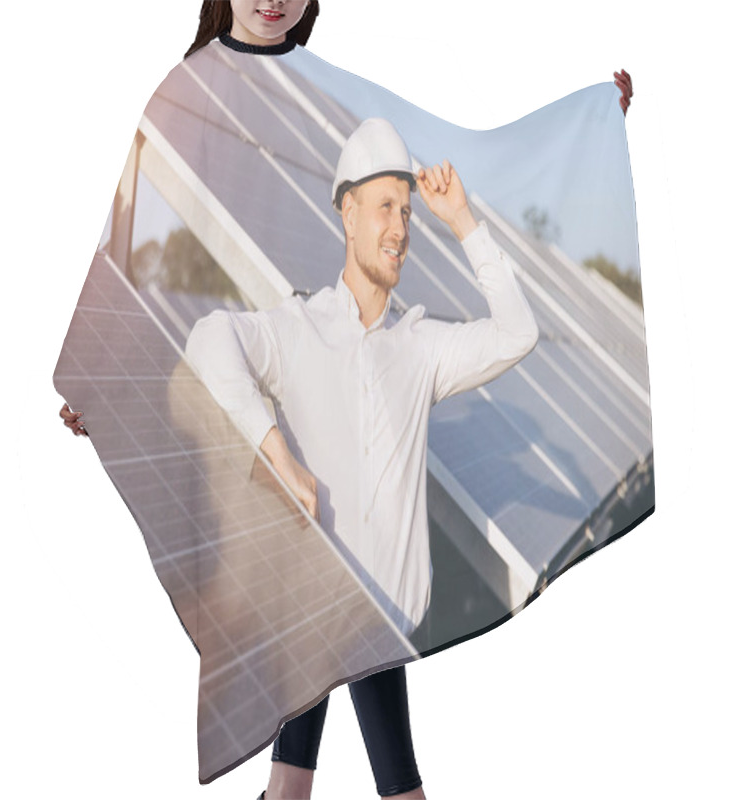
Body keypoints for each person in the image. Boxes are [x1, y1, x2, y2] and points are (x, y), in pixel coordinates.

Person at [58, 3, 635, 799]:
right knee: (374, 776)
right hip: (328, 601)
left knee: (311, 765)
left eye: (408, 209)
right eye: (385, 208)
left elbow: (517, 333)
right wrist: (273, 452)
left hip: (365, 612)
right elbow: (188, 323)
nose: (401, 226)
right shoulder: (294, 327)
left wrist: (466, 221)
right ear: (346, 214)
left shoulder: (421, 344)